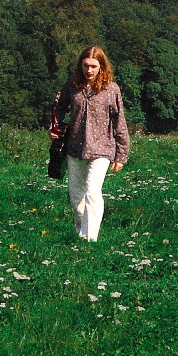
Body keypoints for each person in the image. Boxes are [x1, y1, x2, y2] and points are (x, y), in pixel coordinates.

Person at [50, 45, 130, 242]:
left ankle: (89, 240)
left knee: (93, 192)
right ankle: (80, 233)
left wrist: (121, 154)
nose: (89, 70)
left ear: (102, 67)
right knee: (76, 196)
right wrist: (55, 127)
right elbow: (58, 107)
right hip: (74, 147)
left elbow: (120, 121)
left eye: (94, 66)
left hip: (102, 148)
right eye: (86, 65)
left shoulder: (112, 89)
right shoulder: (72, 85)